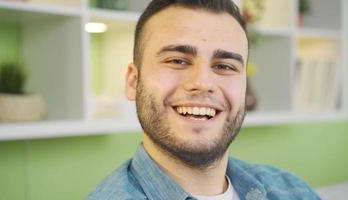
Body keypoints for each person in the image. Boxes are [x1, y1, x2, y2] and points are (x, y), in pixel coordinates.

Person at [87, 0, 320, 199]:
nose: (203, 83)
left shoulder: (294, 191)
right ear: (133, 82)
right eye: (177, 61)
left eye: (224, 66)